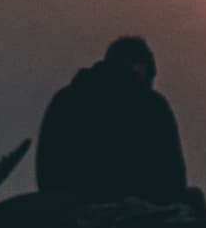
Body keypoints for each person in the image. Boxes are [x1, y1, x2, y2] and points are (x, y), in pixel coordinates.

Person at [34, 36, 191, 207]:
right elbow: (174, 177)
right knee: (193, 199)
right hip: (137, 213)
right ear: (141, 68)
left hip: (70, 210)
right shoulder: (151, 105)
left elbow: (46, 170)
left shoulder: (66, 99)